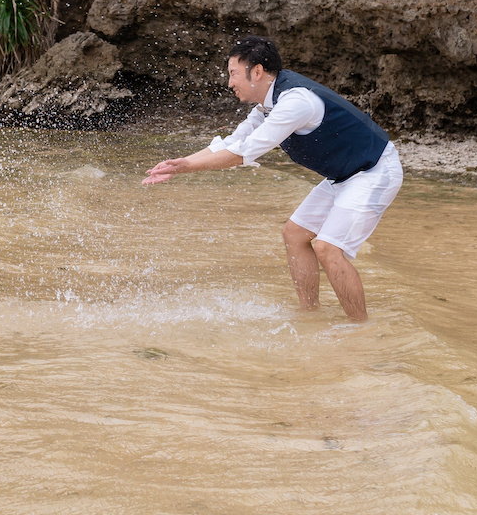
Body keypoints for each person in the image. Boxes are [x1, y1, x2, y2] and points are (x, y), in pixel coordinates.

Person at [143, 36, 402, 322]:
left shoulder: (295, 103)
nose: (230, 83)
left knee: (328, 248)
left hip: (375, 171)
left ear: (257, 72)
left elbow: (244, 153)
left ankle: (360, 329)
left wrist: (187, 169)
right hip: (343, 176)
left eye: (233, 74)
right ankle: (309, 316)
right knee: (294, 234)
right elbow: (231, 142)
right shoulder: (268, 106)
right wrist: (180, 163)